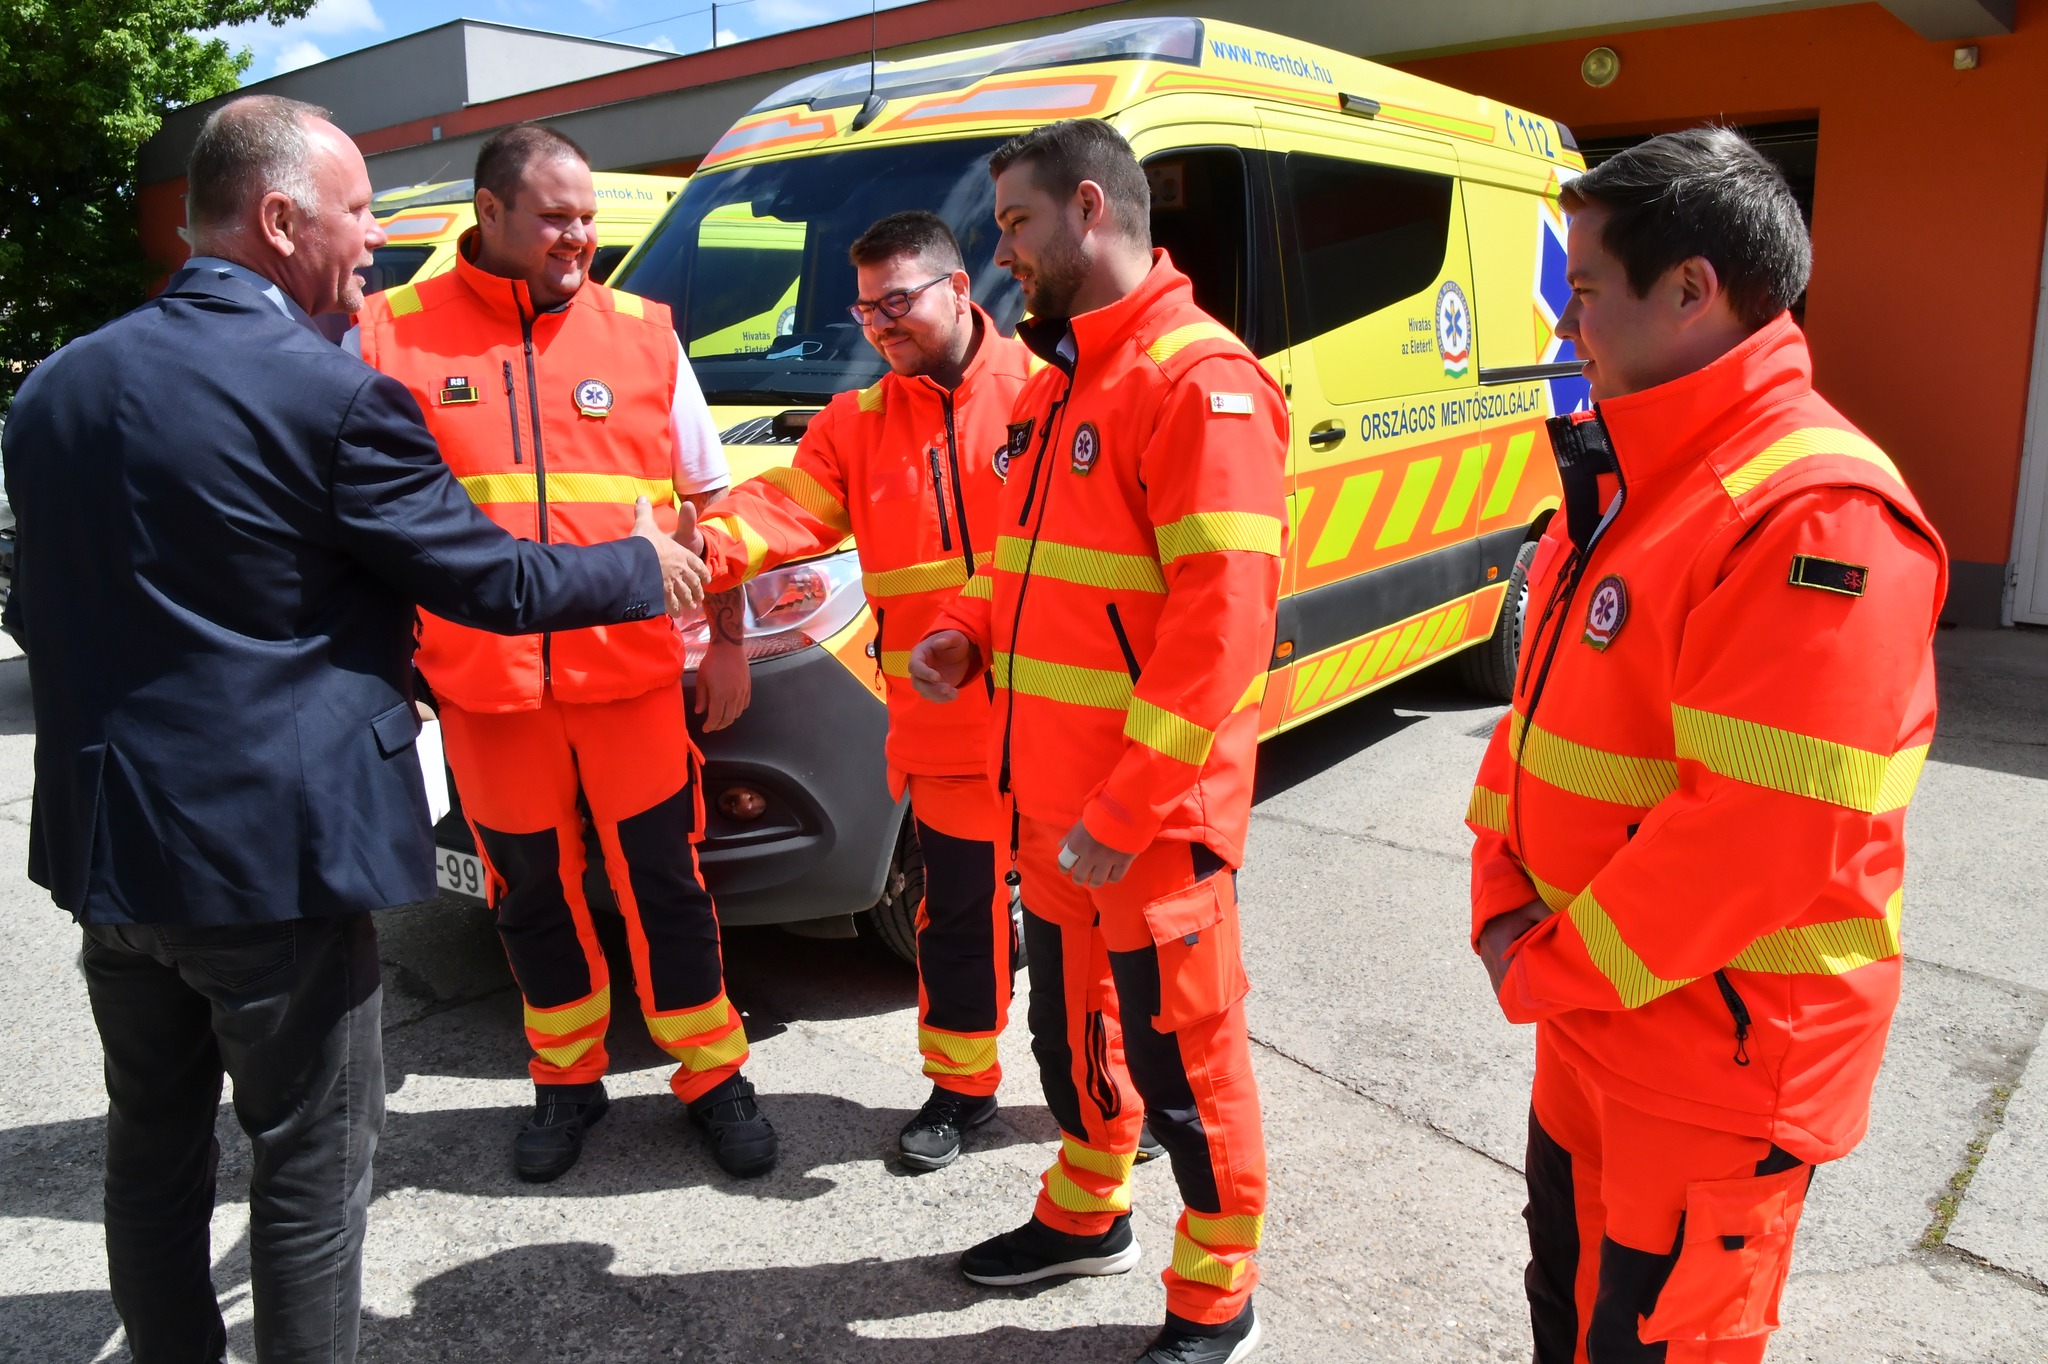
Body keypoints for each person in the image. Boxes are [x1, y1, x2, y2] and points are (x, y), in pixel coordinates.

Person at [1, 95, 706, 1364]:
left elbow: (39, 607)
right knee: (310, 1168)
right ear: (279, 220)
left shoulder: (55, 388)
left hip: (112, 853)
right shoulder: (331, 395)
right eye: (361, 210)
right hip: (271, 862)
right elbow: (486, 577)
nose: (377, 238)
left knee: (151, 1149)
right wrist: (640, 565)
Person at [1465, 127, 1946, 1363]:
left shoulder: (1813, 511)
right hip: (1595, 1012)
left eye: (1582, 290)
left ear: (1689, 289)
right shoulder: (1640, 472)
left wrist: (1540, 963)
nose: (1565, 322)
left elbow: (1758, 835)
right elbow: (1539, 720)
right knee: (1564, 1306)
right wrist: (1499, 892)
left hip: (1711, 1054)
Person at [910, 119, 1283, 1364]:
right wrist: (964, 629)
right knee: (1073, 1045)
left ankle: (1216, 1293)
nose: (1001, 251)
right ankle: (1085, 1213)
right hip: (1054, 804)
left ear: (1087, 207)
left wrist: (1124, 813)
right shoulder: (1060, 379)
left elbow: (1219, 632)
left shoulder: (1199, 381)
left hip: (1147, 821)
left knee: (1186, 1066)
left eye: (1016, 223)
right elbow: (1021, 566)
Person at [353, 123, 775, 1183]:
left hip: (630, 680)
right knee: (530, 894)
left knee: (665, 884)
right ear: (489, 212)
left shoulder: (643, 334)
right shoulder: (388, 334)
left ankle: (712, 1072)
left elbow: (710, 505)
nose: (578, 236)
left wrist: (726, 642)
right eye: (554, 218)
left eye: (586, 217)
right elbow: (364, 525)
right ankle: (565, 1076)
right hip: (486, 690)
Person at [685, 210, 1033, 1169]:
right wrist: (703, 545)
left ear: (958, 290)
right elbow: (783, 513)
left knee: (1088, 922)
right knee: (955, 915)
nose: (879, 326)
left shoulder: (1048, 394)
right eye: (865, 309)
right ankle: (962, 1087)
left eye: (897, 302)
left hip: (1059, 716)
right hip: (944, 727)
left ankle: (1115, 1101)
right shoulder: (857, 422)